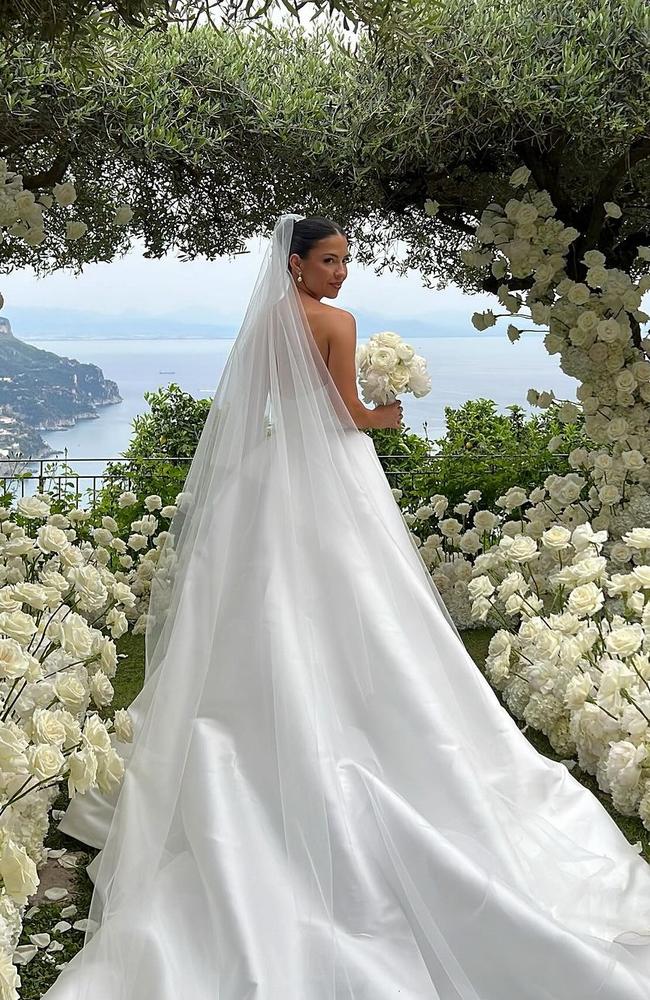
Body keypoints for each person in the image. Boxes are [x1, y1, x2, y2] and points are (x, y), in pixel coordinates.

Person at [42, 214, 650, 999]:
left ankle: (266, 730)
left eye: (346, 262)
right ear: (296, 264)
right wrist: (386, 410)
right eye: (330, 261)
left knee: (260, 608)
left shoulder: (265, 321)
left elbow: (254, 411)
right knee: (360, 596)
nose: (342, 273)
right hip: (331, 474)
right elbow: (340, 414)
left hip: (264, 481)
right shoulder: (335, 322)